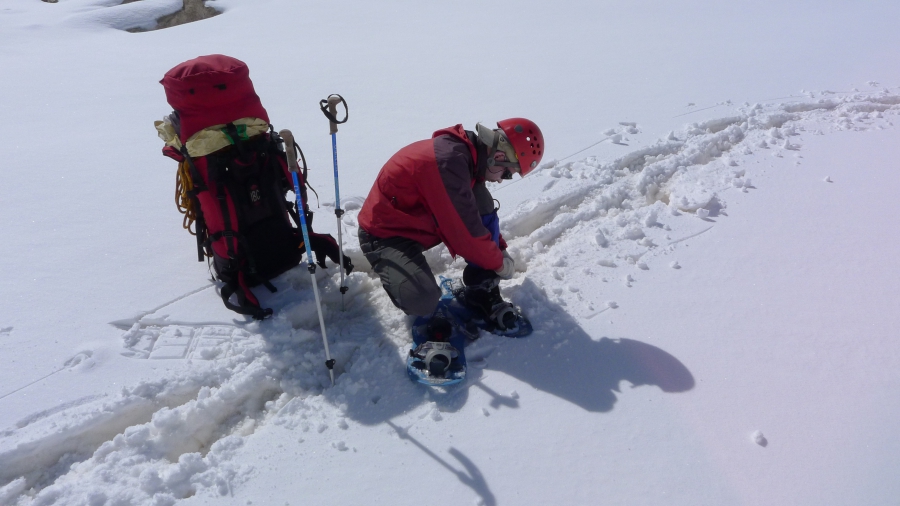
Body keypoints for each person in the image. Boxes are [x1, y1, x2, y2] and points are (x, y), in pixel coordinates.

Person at [357, 118, 544, 367]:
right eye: (508, 173)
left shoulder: (466, 158)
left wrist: (498, 249)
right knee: (422, 299)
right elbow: (465, 233)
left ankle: (480, 291)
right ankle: (405, 280)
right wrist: (499, 262)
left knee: (482, 200)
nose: (501, 180)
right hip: (386, 234)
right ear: (498, 155)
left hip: (419, 223)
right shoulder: (447, 163)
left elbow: (473, 218)